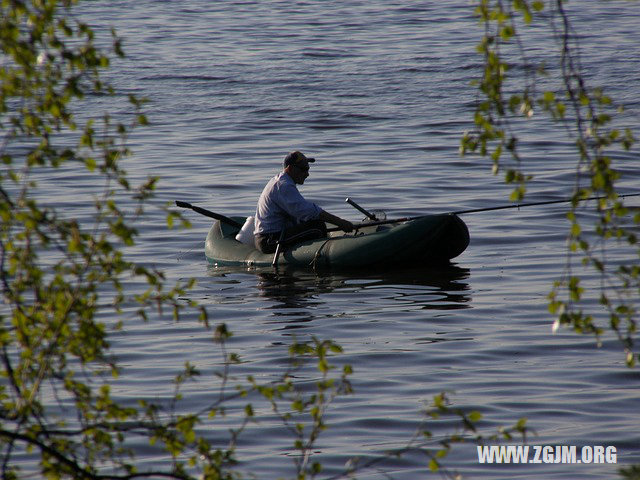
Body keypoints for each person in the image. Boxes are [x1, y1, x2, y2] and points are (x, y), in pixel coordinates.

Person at [254, 151, 354, 254]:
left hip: (272, 236)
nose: (307, 174)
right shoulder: (284, 186)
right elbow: (309, 211)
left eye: (308, 169)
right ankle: (319, 256)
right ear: (290, 169)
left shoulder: (282, 181)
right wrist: (340, 222)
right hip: (270, 240)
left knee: (311, 224)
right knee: (317, 228)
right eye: (303, 169)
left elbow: (300, 213)